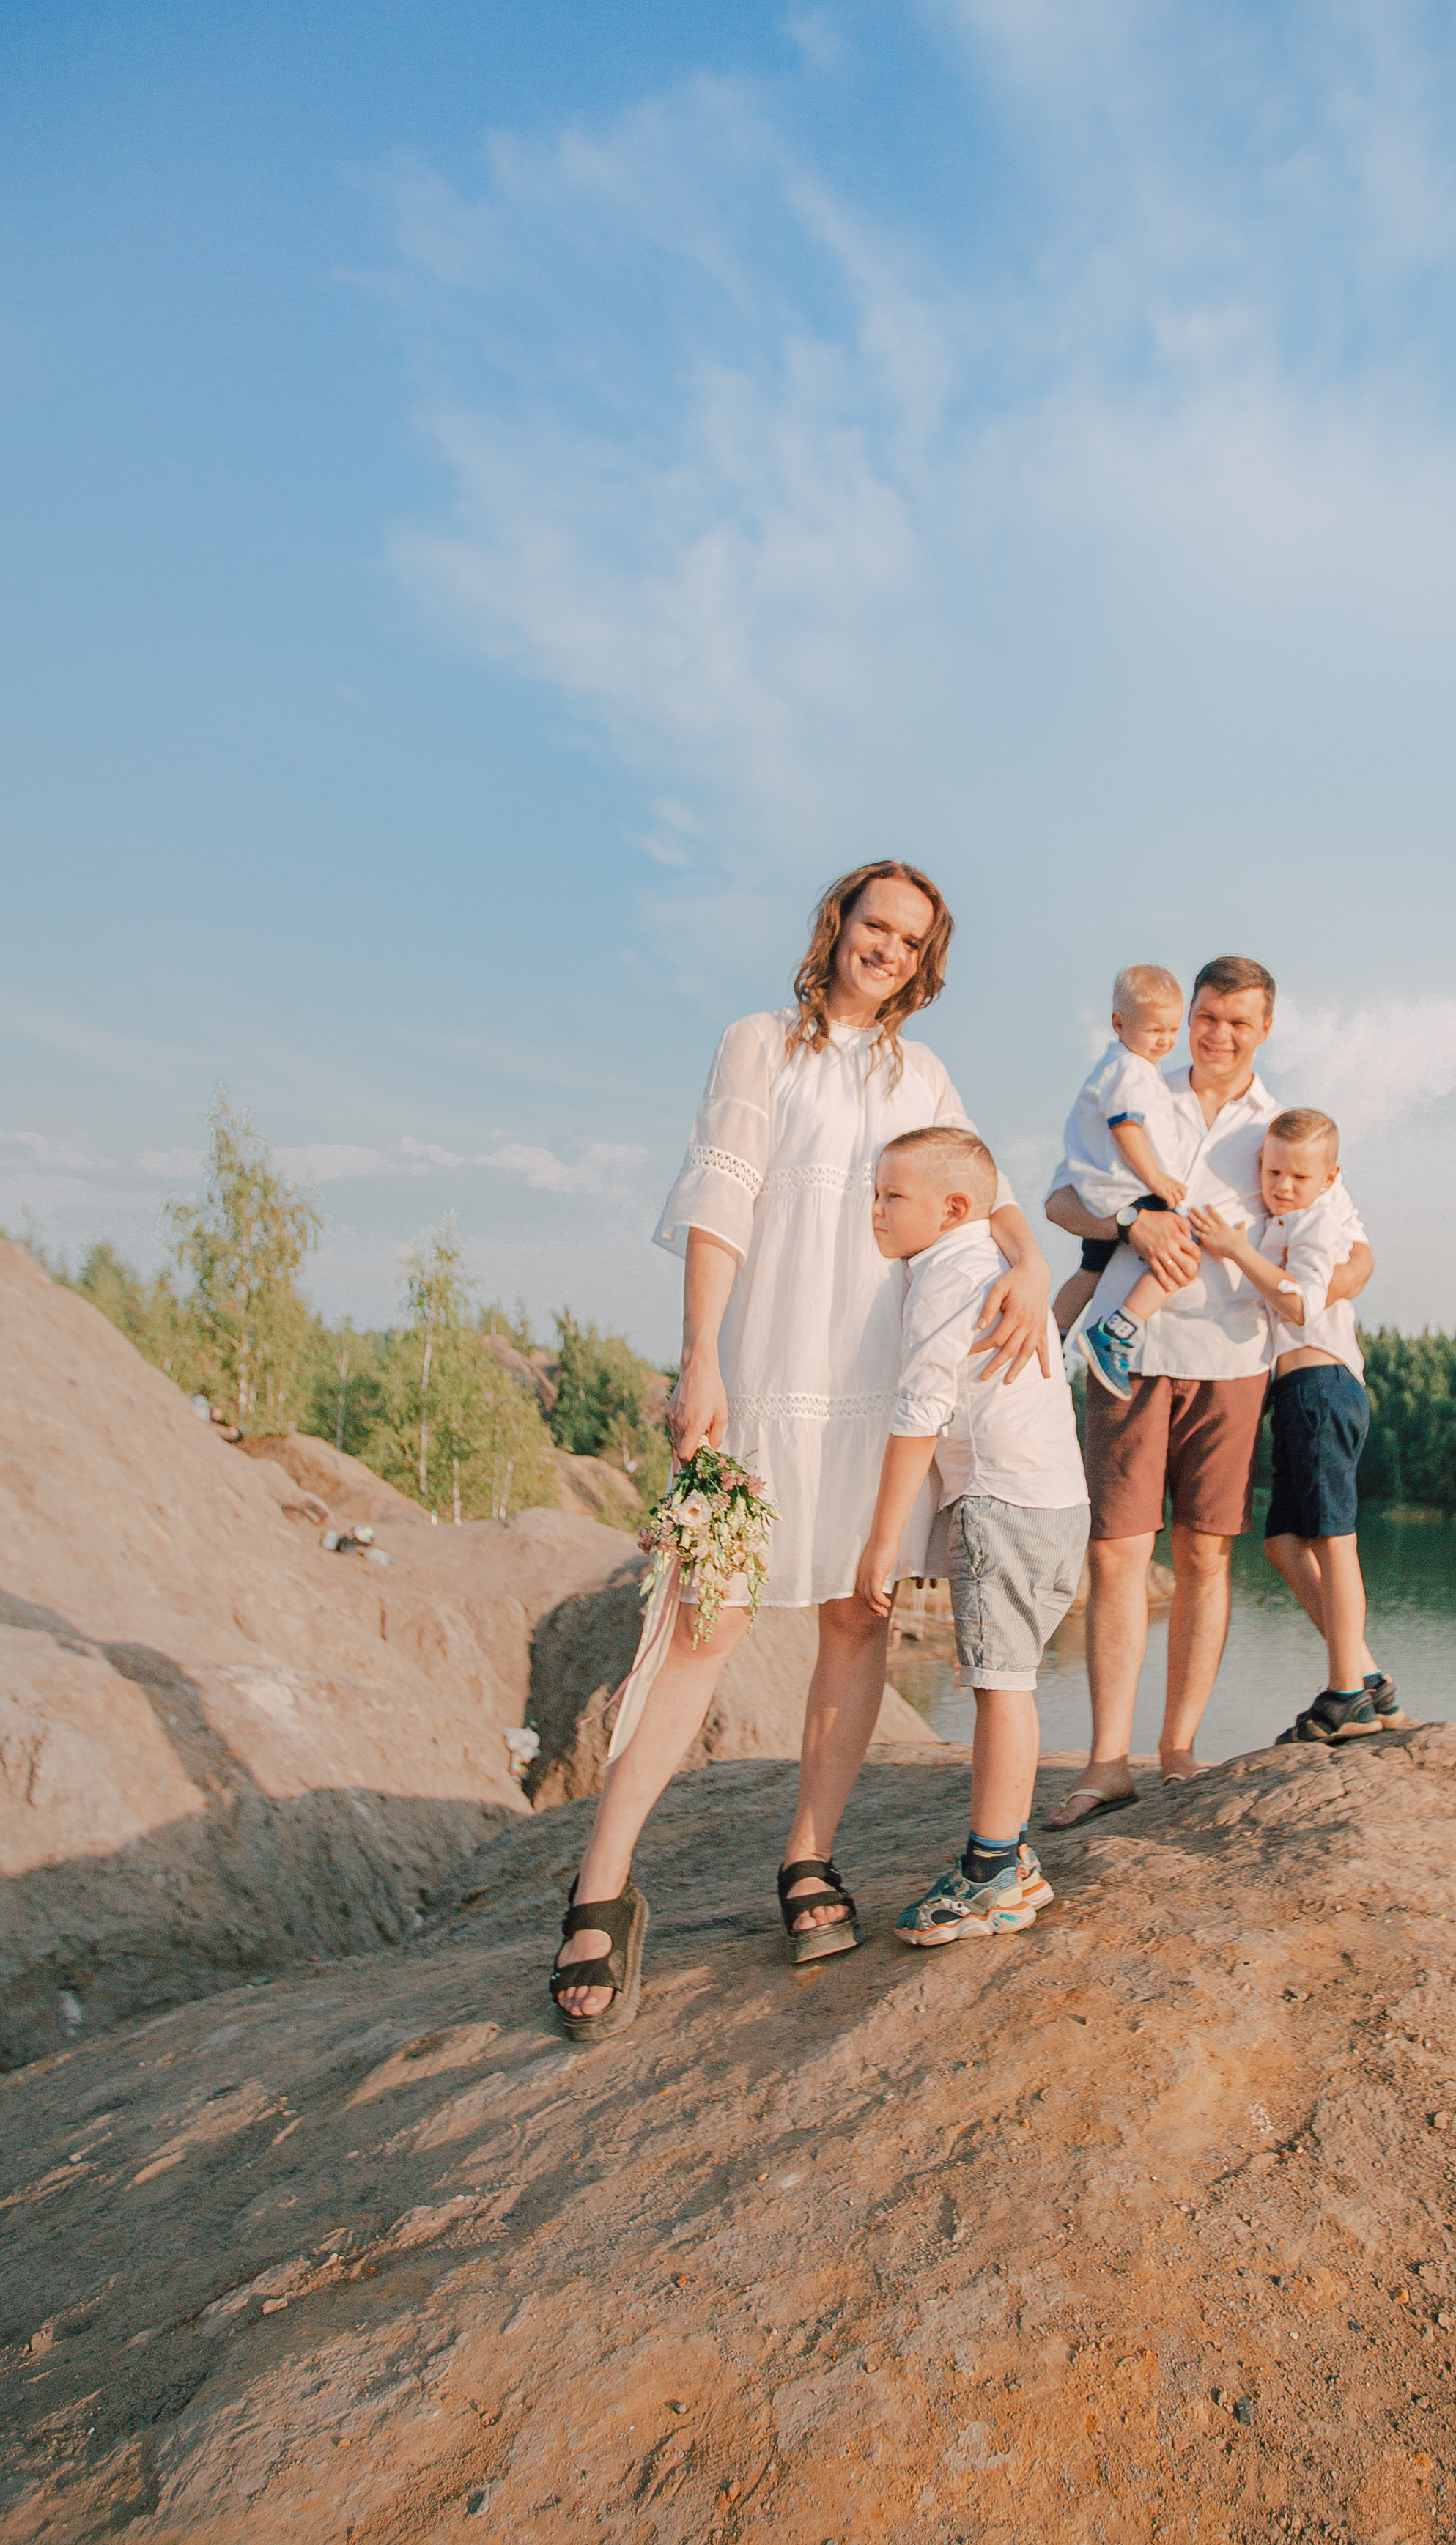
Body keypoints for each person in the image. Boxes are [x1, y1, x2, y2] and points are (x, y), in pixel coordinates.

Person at [549, 862, 1053, 2031]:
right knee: (703, 1619)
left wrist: (1029, 1265)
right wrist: (702, 1355)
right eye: (874, 924)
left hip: (883, 1389)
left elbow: (992, 1194)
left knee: (857, 1613)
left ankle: (810, 1859)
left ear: (927, 962)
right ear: (838, 925)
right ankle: (602, 1887)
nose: (887, 948)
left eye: (910, 938)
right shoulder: (758, 1045)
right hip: (769, 1376)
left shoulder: (922, 1073)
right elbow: (720, 1202)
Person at [1038, 957, 1374, 1828]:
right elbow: (1061, 1201)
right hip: (1129, 1347)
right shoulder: (1136, 1083)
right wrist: (1129, 1223)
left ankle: (1177, 1750)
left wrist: (1324, 1293)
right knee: (1116, 1550)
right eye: (1207, 1017)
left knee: (1205, 1552)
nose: (1219, 1035)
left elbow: (1356, 1248)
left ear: (1265, 1031)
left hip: (1233, 1357)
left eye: (1239, 1023)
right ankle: (1106, 1761)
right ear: (1188, 1015)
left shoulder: (1286, 1129)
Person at [853, 1126, 1090, 1944]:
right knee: (1005, 1678)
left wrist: (881, 1543)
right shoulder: (987, 1259)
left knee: (1000, 1684)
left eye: (890, 1197)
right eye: (873, 1194)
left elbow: (920, 1412)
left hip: (1002, 1504)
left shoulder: (949, 1279)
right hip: (1054, 1502)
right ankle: (1009, 1857)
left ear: (952, 1208)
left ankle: (992, 1874)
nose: (874, 1212)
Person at [1189, 1108, 1393, 1741]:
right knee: (1282, 1543)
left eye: (1298, 1176)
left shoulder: (1314, 1221)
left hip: (1321, 1388)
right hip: (1299, 1393)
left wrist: (1234, 1249)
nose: (1282, 1185)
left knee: (1335, 1541)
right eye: (1273, 1171)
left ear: (1329, 1177)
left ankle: (1346, 1697)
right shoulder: (1294, 1211)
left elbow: (1302, 1303)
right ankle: (1366, 1678)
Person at [1050, 965, 1187, 1339]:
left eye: (1173, 1030)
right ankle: (1114, 1335)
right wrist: (1155, 1178)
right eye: (1154, 1030)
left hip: (1105, 1193)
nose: (1165, 1041)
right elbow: (1125, 1126)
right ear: (1119, 1023)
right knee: (1181, 1258)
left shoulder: (1118, 1066)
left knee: (1090, 1272)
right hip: (1131, 1190)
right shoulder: (1133, 1068)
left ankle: (1052, 1334)